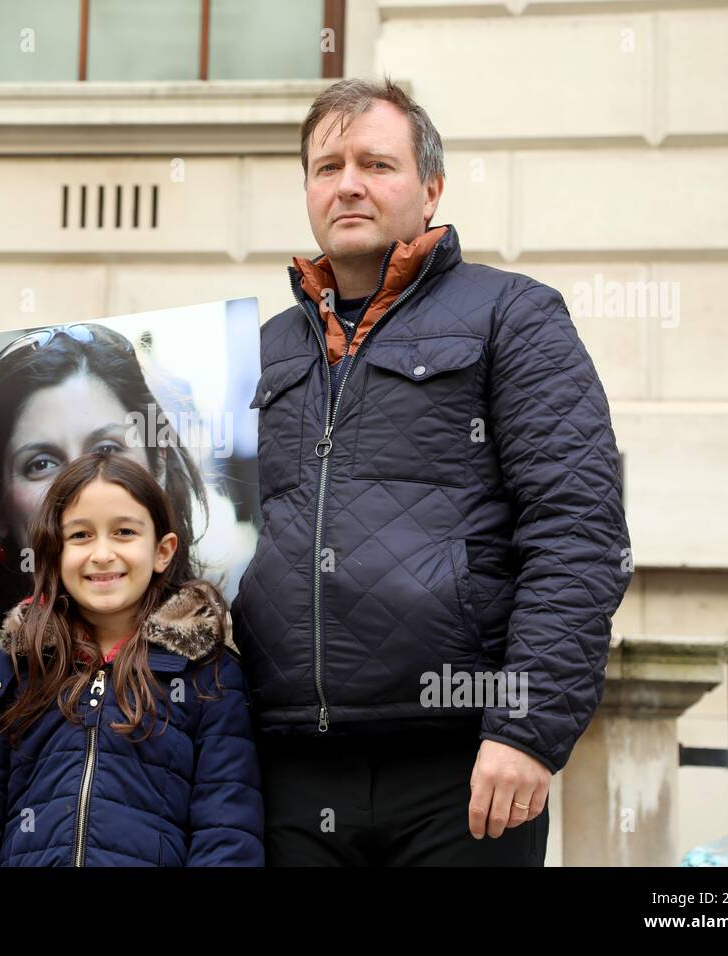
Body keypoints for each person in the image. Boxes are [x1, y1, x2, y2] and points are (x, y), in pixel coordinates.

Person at [230, 78, 633, 865]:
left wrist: (527, 729)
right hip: (289, 767)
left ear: (431, 188)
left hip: (465, 765)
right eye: (327, 166)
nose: (348, 184)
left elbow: (578, 532)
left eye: (376, 164)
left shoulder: (512, 316)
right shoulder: (262, 349)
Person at [0, 452, 263, 866]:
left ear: (162, 550)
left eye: (124, 532)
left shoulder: (206, 672)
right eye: (80, 536)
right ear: (55, 551)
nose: (102, 553)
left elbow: (227, 827)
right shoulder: (15, 665)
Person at [0, 322, 211, 630]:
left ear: (157, 468)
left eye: (106, 450)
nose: (83, 487)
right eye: (41, 464)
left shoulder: (215, 661)